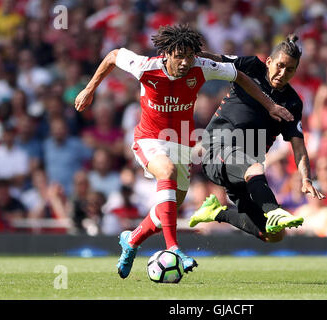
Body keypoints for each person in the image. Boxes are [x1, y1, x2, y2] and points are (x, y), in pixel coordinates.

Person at [74, 24, 292, 278]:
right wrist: (89, 89)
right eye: (180, 55)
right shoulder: (146, 66)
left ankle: (131, 240)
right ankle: (174, 248)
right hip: (149, 139)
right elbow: (113, 55)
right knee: (165, 172)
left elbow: (239, 76)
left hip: (180, 145)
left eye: (190, 55)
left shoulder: (201, 66)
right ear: (167, 54)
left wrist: (271, 105)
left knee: (167, 209)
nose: (186, 62)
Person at [189, 34, 325, 243]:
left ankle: (217, 213)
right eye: (280, 66)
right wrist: (191, 53)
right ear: (269, 61)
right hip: (217, 149)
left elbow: (298, 146)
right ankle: (274, 211)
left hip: (245, 170)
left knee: (274, 235)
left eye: (290, 70)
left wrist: (306, 178)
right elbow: (217, 59)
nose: (282, 73)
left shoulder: (293, 102)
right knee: (253, 167)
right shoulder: (252, 66)